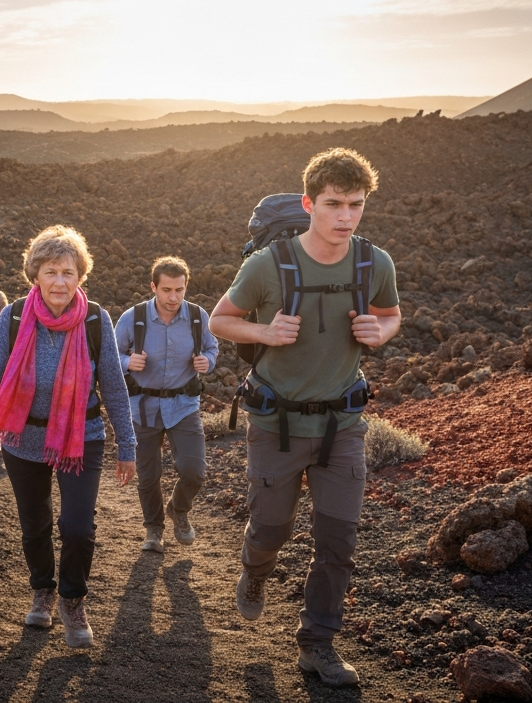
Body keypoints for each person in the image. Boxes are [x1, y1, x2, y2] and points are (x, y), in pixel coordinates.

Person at [209, 147, 401, 687]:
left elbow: (391, 314)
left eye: (356, 205)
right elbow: (223, 320)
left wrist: (379, 332)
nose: (345, 217)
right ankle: (254, 571)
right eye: (334, 204)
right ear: (308, 203)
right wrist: (264, 332)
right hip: (278, 423)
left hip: (344, 425)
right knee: (272, 528)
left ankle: (317, 644)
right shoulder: (268, 265)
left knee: (338, 540)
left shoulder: (372, 263)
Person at [0, 225, 137, 649]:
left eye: (68, 272)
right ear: (34, 275)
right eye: (51, 271)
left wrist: (127, 446)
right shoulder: (15, 316)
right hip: (22, 440)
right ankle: (42, 591)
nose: (60, 281)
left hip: (83, 436)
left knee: (78, 527)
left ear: (80, 276)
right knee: (35, 525)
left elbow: (114, 388)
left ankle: (72, 601)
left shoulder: (96, 318)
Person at [115, 256, 219, 554]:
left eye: (180, 290)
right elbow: (108, 356)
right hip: (142, 407)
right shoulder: (132, 319)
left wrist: (207, 361)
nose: (173, 297)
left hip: (184, 406)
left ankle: (179, 509)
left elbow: (213, 348)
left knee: (194, 471)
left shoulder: (198, 317)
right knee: (148, 476)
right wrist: (127, 361)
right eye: (167, 290)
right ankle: (154, 530)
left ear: (186, 287)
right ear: (154, 287)